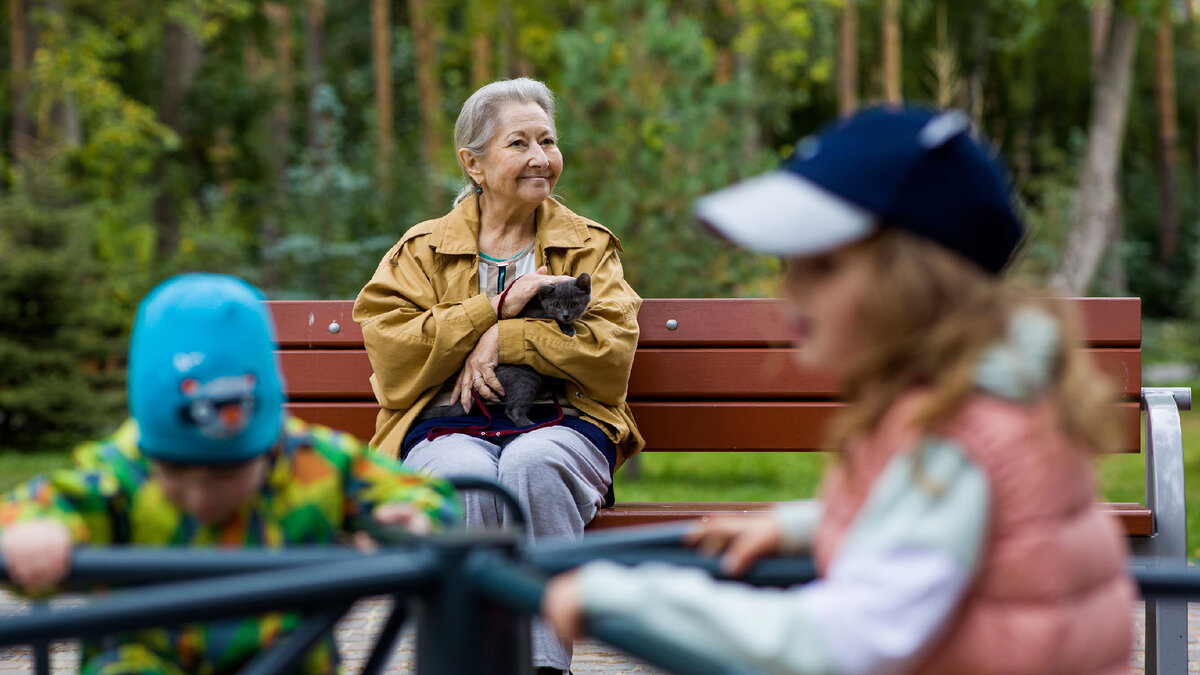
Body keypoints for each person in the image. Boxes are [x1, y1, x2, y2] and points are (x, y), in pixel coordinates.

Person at [542, 107, 1135, 675]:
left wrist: (623, 598)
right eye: (788, 263)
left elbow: (844, 642)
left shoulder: (955, 439)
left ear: (918, 286)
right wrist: (799, 527)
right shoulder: (982, 397)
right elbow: (926, 523)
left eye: (823, 267)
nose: (789, 289)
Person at [0, 273, 460, 675]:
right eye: (176, 470)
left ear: (267, 441)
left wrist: (410, 518)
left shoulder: (315, 463)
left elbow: (423, 494)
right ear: (146, 442)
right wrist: (32, 533)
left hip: (284, 654)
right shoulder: (120, 473)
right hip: (150, 656)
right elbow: (37, 507)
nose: (201, 497)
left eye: (227, 472)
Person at [353, 77, 643, 673]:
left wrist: (507, 339)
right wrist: (493, 307)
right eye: (519, 144)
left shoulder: (587, 247)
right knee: (463, 474)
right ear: (473, 163)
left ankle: (541, 667)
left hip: (563, 424)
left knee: (530, 466)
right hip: (443, 427)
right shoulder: (422, 251)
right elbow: (393, 354)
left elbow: (609, 355)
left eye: (548, 141)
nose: (541, 158)